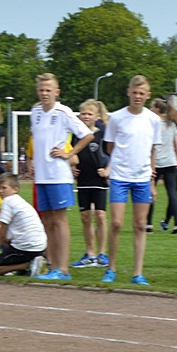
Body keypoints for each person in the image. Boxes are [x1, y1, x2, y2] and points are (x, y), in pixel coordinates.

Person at [29, 73, 92, 281]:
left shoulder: (64, 112)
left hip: (58, 175)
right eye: (41, 90)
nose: (44, 93)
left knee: (59, 219)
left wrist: (69, 154)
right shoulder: (35, 112)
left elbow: (87, 135)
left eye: (48, 90)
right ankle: (53, 265)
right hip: (42, 176)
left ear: (57, 92)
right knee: (47, 220)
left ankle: (63, 269)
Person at [101, 75, 160, 285]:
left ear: (148, 95)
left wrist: (152, 180)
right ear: (128, 92)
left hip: (142, 178)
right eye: (134, 92)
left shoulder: (153, 120)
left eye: (141, 93)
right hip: (119, 176)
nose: (137, 96)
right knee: (117, 223)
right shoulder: (117, 118)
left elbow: (152, 150)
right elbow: (110, 147)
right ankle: (111, 268)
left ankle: (138, 273)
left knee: (140, 224)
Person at [0, 172, 47, 276]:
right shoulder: (20, 201)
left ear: (15, 189)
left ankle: (26, 265)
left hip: (26, 248)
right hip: (39, 245)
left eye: (4, 188)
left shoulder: (8, 201)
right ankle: (29, 261)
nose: (0, 191)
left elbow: (1, 234)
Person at [70, 100, 109, 268]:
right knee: (85, 217)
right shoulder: (76, 135)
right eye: (83, 113)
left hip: (98, 180)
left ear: (97, 116)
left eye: (89, 114)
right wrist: (72, 167)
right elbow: (71, 153)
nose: (86, 116)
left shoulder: (102, 134)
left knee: (100, 215)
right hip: (83, 180)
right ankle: (90, 254)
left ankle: (102, 253)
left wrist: (107, 170)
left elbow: (113, 153)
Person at [147, 98, 177, 234]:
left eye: (152, 107)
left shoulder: (153, 124)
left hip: (155, 163)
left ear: (157, 109)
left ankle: (148, 224)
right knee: (172, 193)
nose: (150, 109)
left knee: (150, 192)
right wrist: (175, 158)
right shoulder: (171, 124)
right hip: (171, 163)